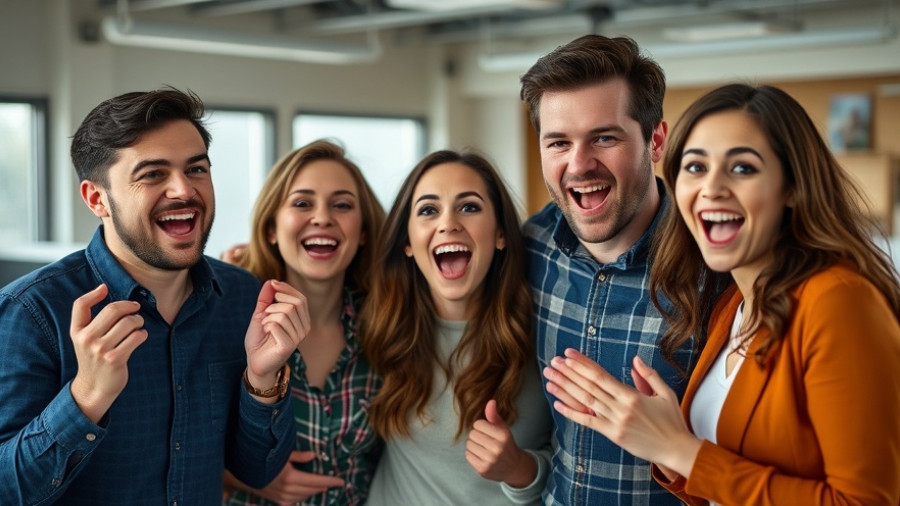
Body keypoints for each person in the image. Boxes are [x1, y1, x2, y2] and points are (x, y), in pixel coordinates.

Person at [544, 83, 900, 504]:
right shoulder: (734, 304)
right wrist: (666, 445)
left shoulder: (838, 301)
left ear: (792, 187)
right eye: (696, 168)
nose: (711, 188)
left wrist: (679, 449)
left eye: (743, 168)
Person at [0, 88, 307, 505]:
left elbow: (257, 470)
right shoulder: (31, 312)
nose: (183, 190)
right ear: (97, 199)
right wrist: (87, 396)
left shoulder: (242, 298)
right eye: (153, 174)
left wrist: (263, 381)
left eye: (196, 169)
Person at [518, 34, 697, 504]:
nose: (579, 165)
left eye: (604, 137)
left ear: (655, 140)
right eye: (558, 142)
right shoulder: (529, 246)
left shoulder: (714, 270)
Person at [359, 150, 552, 504]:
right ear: (407, 241)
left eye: (469, 207)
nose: (448, 223)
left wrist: (520, 469)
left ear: (500, 234)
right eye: (428, 210)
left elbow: (581, 468)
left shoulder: (545, 337)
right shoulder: (380, 325)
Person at [221, 140, 385, 505]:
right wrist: (244, 474)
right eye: (302, 203)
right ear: (271, 230)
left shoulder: (386, 327)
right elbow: (180, 442)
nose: (322, 217)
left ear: (363, 233)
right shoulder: (231, 320)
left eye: (342, 205)